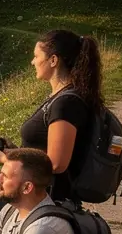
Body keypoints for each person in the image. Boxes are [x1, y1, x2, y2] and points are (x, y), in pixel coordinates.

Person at [16, 30, 103, 204]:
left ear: (53, 60)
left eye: (36, 56)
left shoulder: (66, 103)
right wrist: (12, 152)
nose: (33, 62)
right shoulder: (60, 97)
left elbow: (56, 163)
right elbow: (41, 148)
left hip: (51, 200)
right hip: (39, 197)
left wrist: (8, 159)